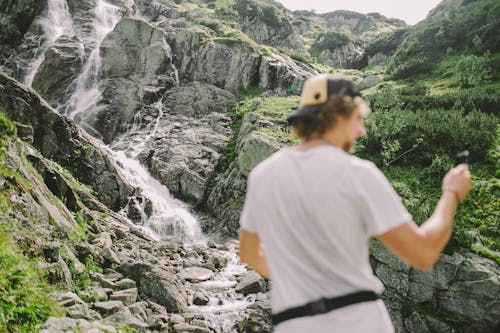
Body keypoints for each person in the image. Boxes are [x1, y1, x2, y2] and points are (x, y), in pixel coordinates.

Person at [238, 74, 472, 332]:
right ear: (338, 115)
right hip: (359, 321)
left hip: (293, 324)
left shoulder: (264, 174)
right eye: (358, 118)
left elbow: (249, 253)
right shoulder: (358, 173)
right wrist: (451, 193)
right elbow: (423, 253)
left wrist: (301, 279)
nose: (362, 130)